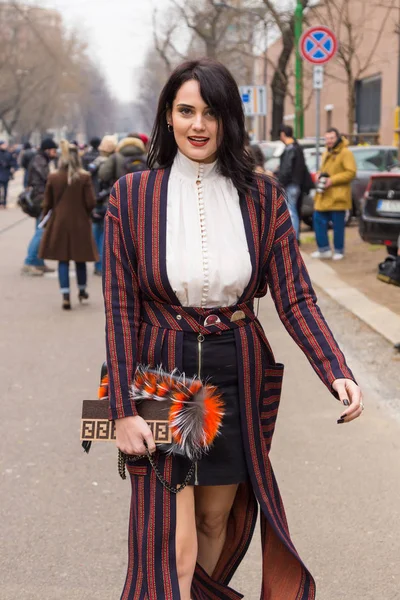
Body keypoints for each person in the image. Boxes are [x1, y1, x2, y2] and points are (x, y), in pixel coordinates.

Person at [103, 58, 364, 600]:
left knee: (216, 523)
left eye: (212, 112)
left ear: (231, 120)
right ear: (167, 117)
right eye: (186, 111)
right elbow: (120, 309)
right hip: (161, 376)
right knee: (170, 546)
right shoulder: (131, 196)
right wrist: (122, 410)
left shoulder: (262, 197)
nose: (198, 125)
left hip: (235, 369)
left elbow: (295, 296)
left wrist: (335, 369)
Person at [38, 141, 98, 310]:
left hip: (59, 222)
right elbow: (90, 202)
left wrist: (45, 219)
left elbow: (47, 202)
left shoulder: (54, 177)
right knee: (80, 259)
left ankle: (65, 295)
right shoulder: (84, 177)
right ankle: (82, 290)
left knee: (62, 260)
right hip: (80, 223)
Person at [312, 128, 357, 260]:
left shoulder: (345, 153)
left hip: (338, 196)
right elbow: (324, 169)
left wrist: (332, 180)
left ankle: (339, 250)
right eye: (327, 138)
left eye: (331, 138)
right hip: (324, 195)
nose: (329, 141)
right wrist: (319, 175)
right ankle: (323, 249)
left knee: (338, 226)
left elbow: (351, 172)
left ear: (337, 137)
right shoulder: (326, 152)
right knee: (318, 220)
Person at [21, 139, 58, 276]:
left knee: (41, 230)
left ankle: (38, 262)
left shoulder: (41, 159)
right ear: (48, 150)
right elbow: (48, 179)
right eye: (54, 151)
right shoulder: (40, 161)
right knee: (41, 231)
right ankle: (29, 262)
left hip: (41, 198)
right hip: (40, 199)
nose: (55, 153)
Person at [90, 135, 117, 275]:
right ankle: (101, 266)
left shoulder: (94, 162)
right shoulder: (110, 162)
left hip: (95, 199)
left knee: (96, 232)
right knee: (105, 235)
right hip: (106, 199)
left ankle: (96, 263)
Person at [277, 124, 306, 241]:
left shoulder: (290, 148)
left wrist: (280, 181)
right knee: (293, 210)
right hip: (296, 184)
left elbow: (286, 168)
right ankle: (295, 238)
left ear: (283, 134)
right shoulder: (297, 147)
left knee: (291, 211)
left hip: (290, 185)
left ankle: (293, 239)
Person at [0, 140, 17, 207]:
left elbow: (13, 162)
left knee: (5, 189)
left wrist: (12, 168)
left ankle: (4, 202)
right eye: (3, 145)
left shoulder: (8, 154)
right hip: (0, 172)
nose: (4, 146)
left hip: (6, 173)